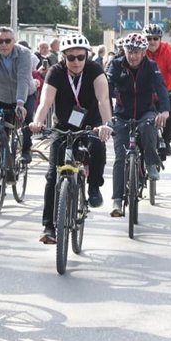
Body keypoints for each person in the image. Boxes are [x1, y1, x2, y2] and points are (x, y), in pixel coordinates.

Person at [29, 34, 113, 243]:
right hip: (63, 127)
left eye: (80, 57)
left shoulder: (95, 70)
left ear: (87, 56)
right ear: (63, 58)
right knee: (51, 175)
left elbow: (103, 100)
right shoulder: (56, 73)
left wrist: (106, 124)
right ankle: (49, 226)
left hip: (91, 125)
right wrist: (37, 122)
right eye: (71, 57)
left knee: (97, 147)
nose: (76, 62)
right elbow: (45, 102)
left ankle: (94, 187)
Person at [105, 32, 170, 217]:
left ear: (144, 52)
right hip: (122, 114)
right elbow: (107, 86)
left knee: (149, 126)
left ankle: (150, 163)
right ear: (124, 51)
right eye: (129, 51)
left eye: (137, 52)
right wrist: (106, 114)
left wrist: (164, 110)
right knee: (119, 158)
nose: (133, 56)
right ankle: (117, 200)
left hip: (145, 111)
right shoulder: (116, 64)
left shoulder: (151, 66)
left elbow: (161, 87)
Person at [0, 26, 38, 180]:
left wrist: (20, 103)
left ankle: (26, 150)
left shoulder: (24, 53)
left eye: (7, 41)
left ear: (14, 41)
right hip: (2, 97)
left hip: (25, 95)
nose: (3, 44)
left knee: (26, 121)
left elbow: (23, 79)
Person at [143, 23, 171, 157]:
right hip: (145, 92)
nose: (152, 42)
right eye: (149, 38)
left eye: (155, 38)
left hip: (165, 91)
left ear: (160, 39)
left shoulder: (168, 50)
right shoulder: (140, 50)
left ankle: (166, 141)